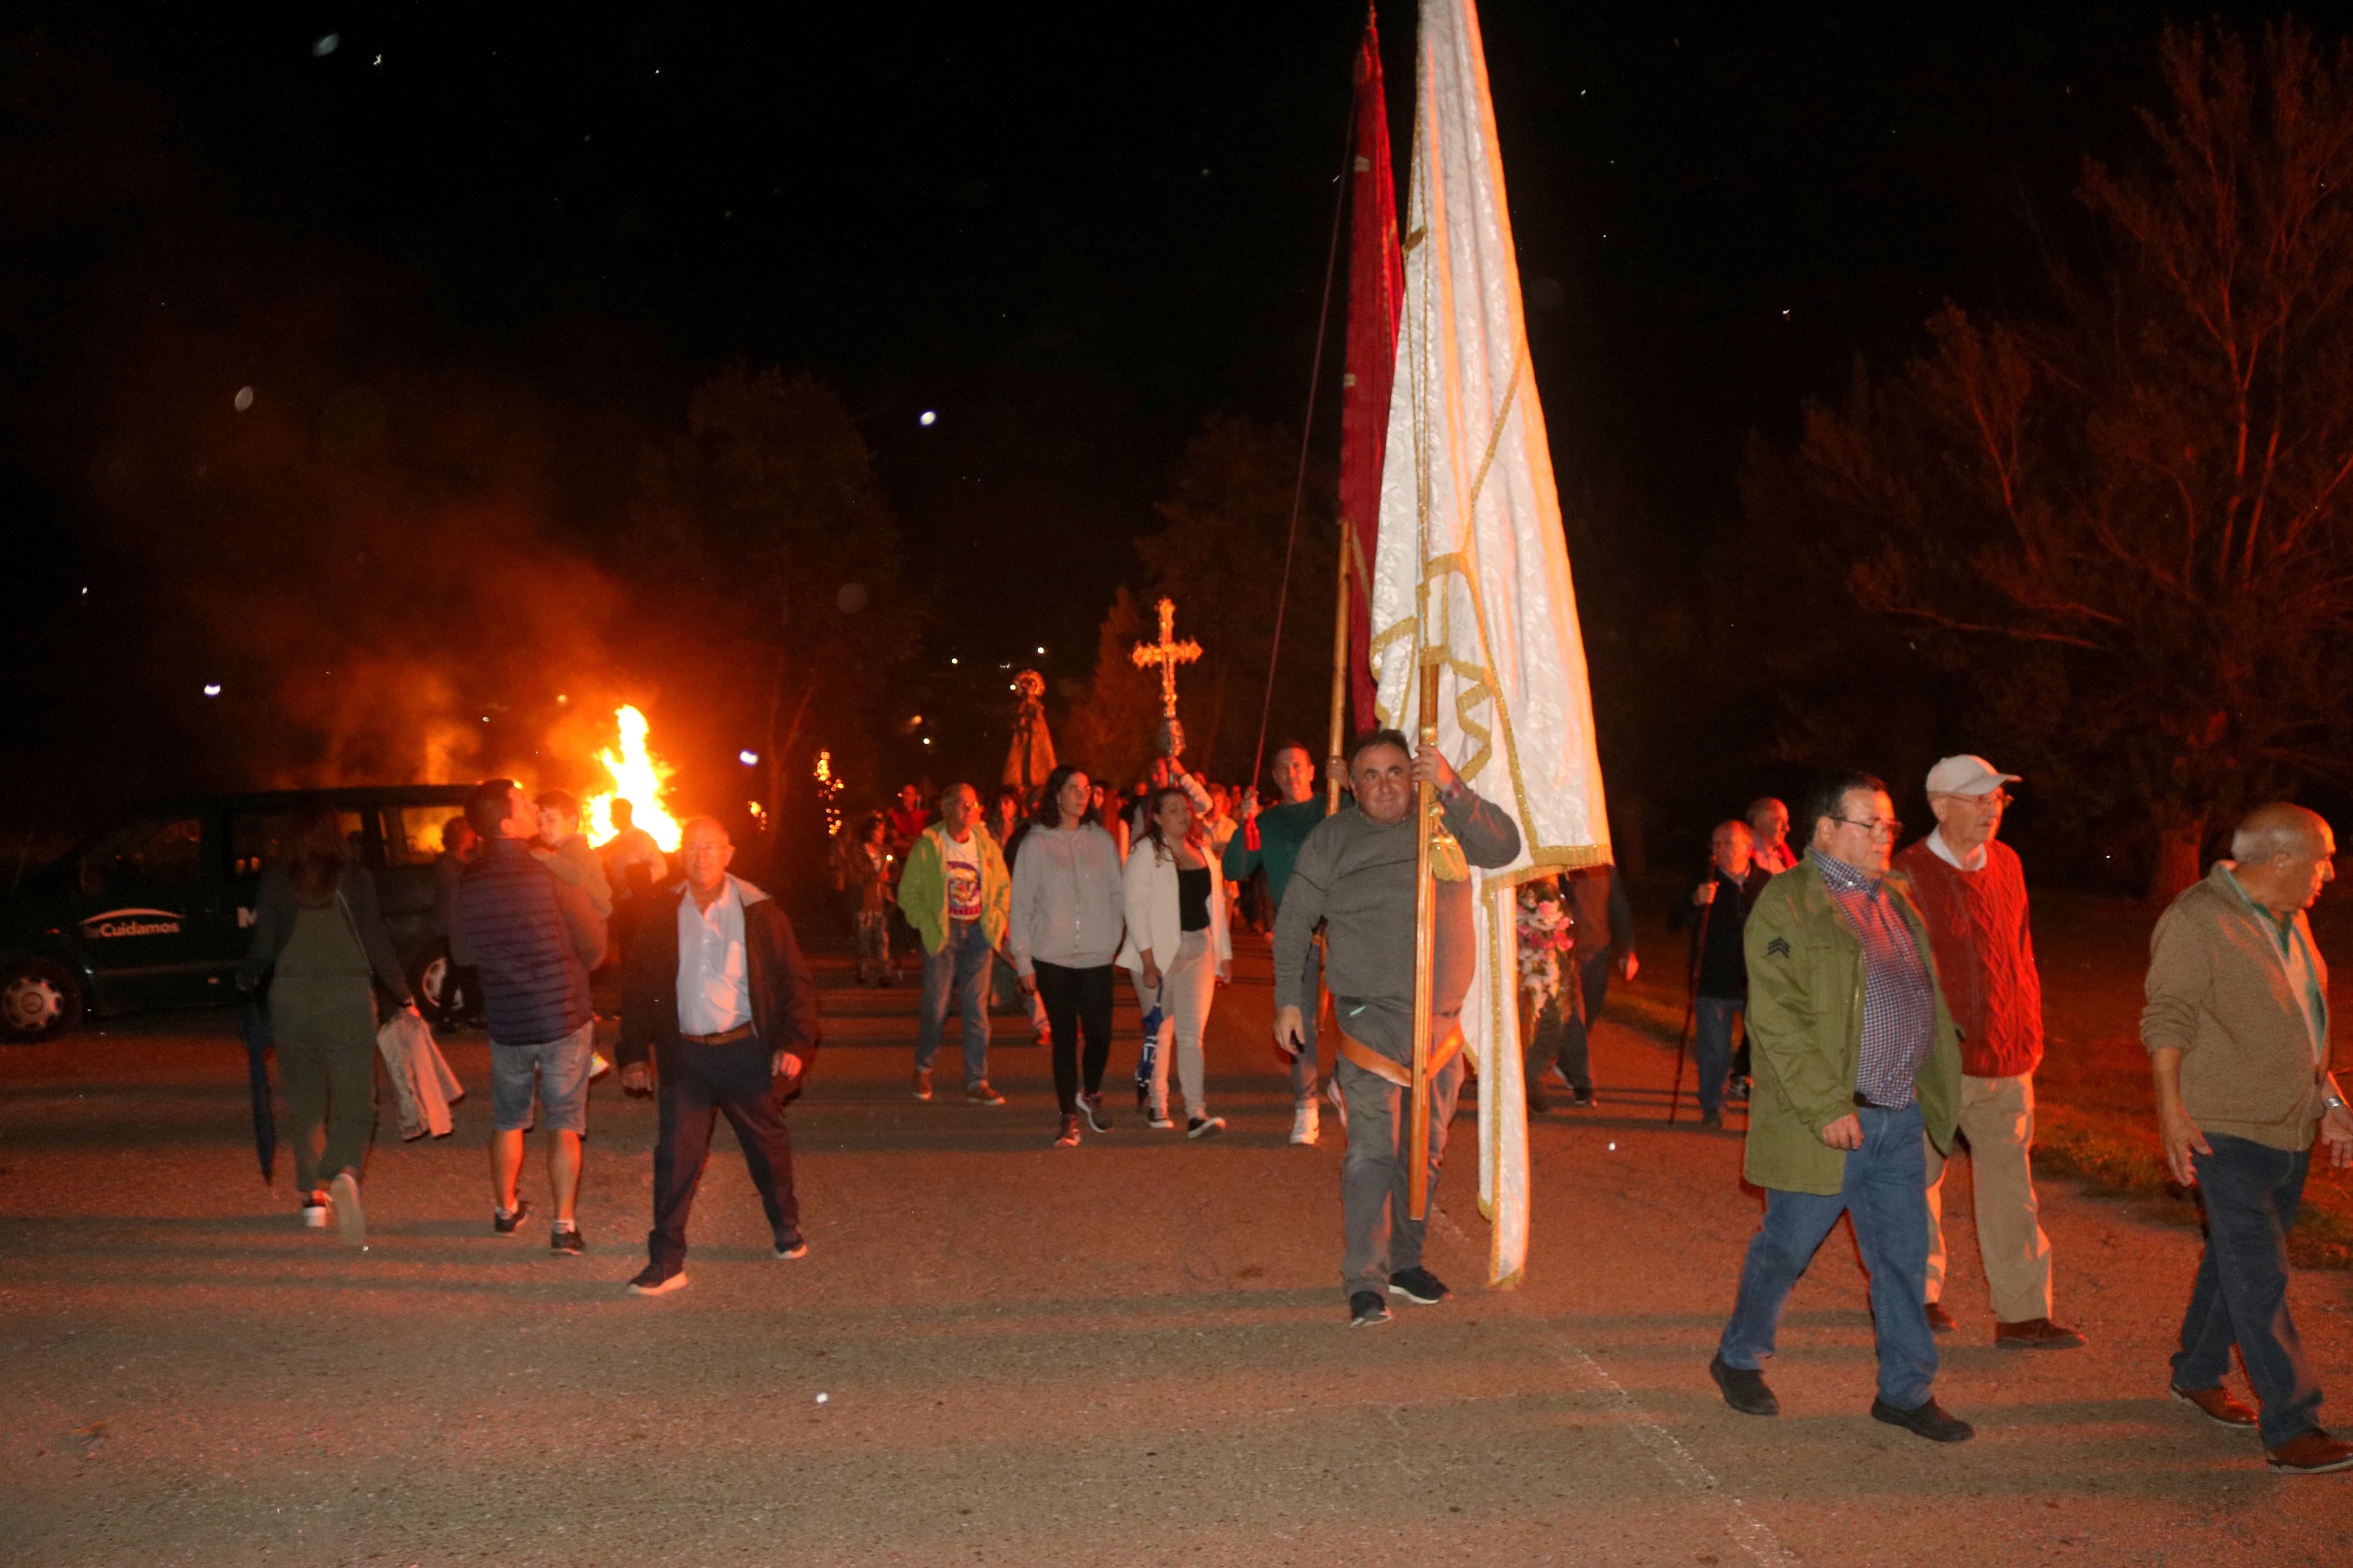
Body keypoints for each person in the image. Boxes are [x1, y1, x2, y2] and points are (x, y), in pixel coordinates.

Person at [1709, 771, 1972, 1442]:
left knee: (1902, 1260)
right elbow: (1777, 1015)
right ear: (1825, 828)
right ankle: (1739, 1356)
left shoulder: (1894, 901)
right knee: (1785, 1248)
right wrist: (1826, 1103)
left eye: (1890, 826)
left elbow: (1924, 999)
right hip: (1828, 1122)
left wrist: (1939, 1090)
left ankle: (1905, 1390)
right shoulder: (1786, 905)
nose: (1886, 836)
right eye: (1870, 824)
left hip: (1896, 1115)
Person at [1272, 730, 1521, 1327]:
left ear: (1412, 775)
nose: (1384, 784)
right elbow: (1293, 920)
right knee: (1371, 1154)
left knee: (1425, 1156)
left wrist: (1453, 786)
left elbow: (1505, 846)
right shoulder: (1332, 838)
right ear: (1351, 786)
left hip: (1439, 1030)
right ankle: (1365, 1278)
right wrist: (1286, 1001)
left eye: (1393, 771)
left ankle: (1405, 1262)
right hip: (1369, 1025)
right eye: (1369, 775)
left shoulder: (1444, 822)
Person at [2143, 802, 2353, 1474]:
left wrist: (2329, 1100)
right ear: (2281, 859)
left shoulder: (2291, 920)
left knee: (2234, 1263)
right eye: (2321, 859)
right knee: (2260, 1272)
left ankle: (2197, 1370)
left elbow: (2304, 1020)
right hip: (2220, 1129)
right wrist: (2171, 1113)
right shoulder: (2197, 920)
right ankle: (2292, 1423)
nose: (2329, 872)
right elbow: (2166, 1018)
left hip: (2285, 1125)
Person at [1892, 755, 2084, 1350]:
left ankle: (2022, 1314)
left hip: (2007, 1055)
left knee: (2010, 1184)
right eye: (1976, 799)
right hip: (1934, 1061)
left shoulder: (2006, 863)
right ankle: (1913, 1298)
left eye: (1996, 800)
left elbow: (2019, 952)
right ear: (1939, 805)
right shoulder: (1905, 874)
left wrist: (2029, 1028)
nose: (1989, 811)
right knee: (1913, 1181)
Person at [616, 816, 819, 1297]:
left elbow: (796, 983)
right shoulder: (660, 911)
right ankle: (665, 1261)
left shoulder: (759, 911)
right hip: (685, 1055)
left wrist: (795, 1043)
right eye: (691, 847)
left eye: (710, 848)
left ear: (728, 854)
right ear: (679, 854)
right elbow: (640, 988)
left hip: (745, 1052)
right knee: (675, 1160)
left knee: (767, 1149)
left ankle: (785, 1226)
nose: (700, 857)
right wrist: (632, 1052)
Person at [237, 805, 418, 1246]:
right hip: (348, 1000)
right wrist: (404, 993)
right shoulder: (355, 878)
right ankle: (345, 1171)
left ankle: (313, 1200)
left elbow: (263, 946)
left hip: (292, 1000)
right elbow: (376, 939)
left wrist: (246, 978)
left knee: (305, 1100)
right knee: (357, 1096)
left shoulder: (277, 879)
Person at [453, 777, 608, 1254]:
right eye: (522, 803)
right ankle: (564, 1226)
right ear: (505, 821)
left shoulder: (469, 879)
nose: (531, 807)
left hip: (508, 1020)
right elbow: (596, 947)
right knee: (564, 1120)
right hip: (562, 1015)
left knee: (509, 1118)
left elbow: (461, 952)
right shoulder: (551, 871)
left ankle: (505, 1210)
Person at [1009, 765, 1126, 1147]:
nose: (1082, 794)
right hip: (1051, 956)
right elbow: (1021, 906)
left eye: (1087, 788)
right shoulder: (1034, 844)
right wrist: (1024, 961)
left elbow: (1115, 894)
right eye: (1074, 788)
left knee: (1100, 1034)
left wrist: (1111, 939)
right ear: (1056, 795)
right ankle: (1068, 1115)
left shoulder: (1102, 841)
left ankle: (1089, 1091)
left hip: (1095, 955)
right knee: (1063, 1037)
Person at [1224, 741, 1333, 1143]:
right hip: (1297, 928)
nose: (1292, 773)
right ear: (1273, 776)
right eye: (1283, 768)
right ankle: (1306, 1107)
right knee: (1298, 1018)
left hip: (1343, 925)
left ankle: (1343, 1081)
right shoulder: (1267, 823)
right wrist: (1244, 823)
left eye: (1298, 765)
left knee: (1359, 1016)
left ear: (1311, 769)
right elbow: (1235, 868)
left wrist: (1349, 789)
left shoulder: (1333, 805)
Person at [1120, 783, 1233, 1136]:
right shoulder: (1146, 854)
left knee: (1191, 1035)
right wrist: (1148, 959)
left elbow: (1215, 907)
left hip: (1198, 948)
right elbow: (1134, 908)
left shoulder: (1202, 853)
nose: (1184, 816)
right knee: (1161, 1032)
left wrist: (1223, 954)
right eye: (1174, 811)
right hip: (1159, 954)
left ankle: (1196, 1111)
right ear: (1155, 817)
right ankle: (1158, 1103)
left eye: (1186, 810)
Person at [898, 783, 1011, 1105]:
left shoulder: (986, 846)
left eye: (974, 804)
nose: (972, 810)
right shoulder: (929, 846)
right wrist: (929, 924)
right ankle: (923, 1066)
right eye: (964, 805)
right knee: (937, 1006)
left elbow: (1003, 886)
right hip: (944, 936)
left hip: (978, 934)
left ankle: (978, 1080)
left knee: (977, 1009)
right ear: (947, 810)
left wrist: (998, 920)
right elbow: (908, 894)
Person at [1667, 820, 1761, 1128]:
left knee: (1766, 1047)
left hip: (1758, 983)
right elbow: (1674, 922)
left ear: (1749, 849)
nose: (1719, 851)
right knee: (1715, 1050)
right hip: (1713, 981)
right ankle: (1711, 1104)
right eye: (1715, 843)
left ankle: (1768, 1108)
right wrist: (1695, 902)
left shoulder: (1766, 883)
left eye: (1727, 844)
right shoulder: (1703, 881)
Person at [1541, 864, 1637, 1107]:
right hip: (1562, 952)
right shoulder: (1555, 864)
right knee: (1576, 1017)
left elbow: (1618, 906)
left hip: (1596, 949)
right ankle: (1583, 1083)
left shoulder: (1605, 869)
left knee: (1590, 1012)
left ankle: (1566, 1060)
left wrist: (1628, 949)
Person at [429, 815, 482, 1028]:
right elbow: (456, 892)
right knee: (459, 969)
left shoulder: (463, 860)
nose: (474, 836)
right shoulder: (447, 863)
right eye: (470, 831)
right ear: (460, 835)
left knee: (463, 969)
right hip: (454, 926)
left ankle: (465, 1013)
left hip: (464, 924)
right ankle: (447, 1016)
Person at [833, 813, 895, 986]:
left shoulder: (886, 851)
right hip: (864, 900)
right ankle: (863, 968)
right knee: (864, 935)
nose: (882, 834)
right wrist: (876, 875)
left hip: (881, 900)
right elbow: (859, 873)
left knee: (883, 937)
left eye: (884, 830)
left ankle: (885, 972)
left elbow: (894, 870)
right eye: (879, 830)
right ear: (870, 832)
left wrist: (888, 877)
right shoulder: (859, 851)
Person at [535, 789, 613, 921]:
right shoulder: (568, 847)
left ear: (572, 822)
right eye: (539, 823)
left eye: (551, 820)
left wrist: (546, 857)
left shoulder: (576, 847)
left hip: (592, 915)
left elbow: (576, 875)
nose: (543, 828)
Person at [600, 798, 668, 905]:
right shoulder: (615, 841)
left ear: (625, 814)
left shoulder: (642, 838)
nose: (610, 818)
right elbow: (599, 855)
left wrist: (640, 886)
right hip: (620, 901)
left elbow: (661, 868)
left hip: (639, 901)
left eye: (613, 814)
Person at [1748, 797, 1797, 877]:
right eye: (1779, 821)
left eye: (1787, 822)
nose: (1787, 828)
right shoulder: (1739, 857)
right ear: (1759, 822)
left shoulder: (1786, 859)